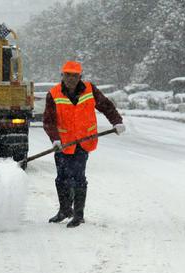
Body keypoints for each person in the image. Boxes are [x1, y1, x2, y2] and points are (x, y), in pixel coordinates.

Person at [43, 61, 126, 228]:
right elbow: (49, 121)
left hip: (83, 142)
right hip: (63, 143)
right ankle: (65, 210)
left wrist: (117, 121)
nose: (71, 79)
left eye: (74, 75)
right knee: (61, 178)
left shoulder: (90, 89)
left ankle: (78, 215)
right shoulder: (53, 94)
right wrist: (55, 139)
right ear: (62, 76)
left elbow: (106, 106)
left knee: (78, 177)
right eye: (68, 75)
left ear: (80, 76)